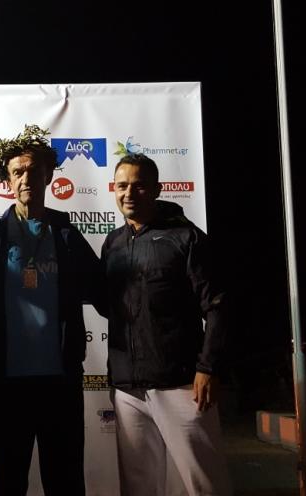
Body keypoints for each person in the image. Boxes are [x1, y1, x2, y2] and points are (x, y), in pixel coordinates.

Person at [0, 124, 102, 496]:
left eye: (33, 171)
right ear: (8, 180)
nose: (26, 178)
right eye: (18, 172)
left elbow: (106, 291)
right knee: (8, 481)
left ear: (48, 176)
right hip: (6, 383)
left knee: (66, 483)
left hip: (59, 381)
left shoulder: (66, 235)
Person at [101, 153, 232, 496]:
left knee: (204, 485)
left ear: (157, 190)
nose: (129, 193)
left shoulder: (186, 237)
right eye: (122, 186)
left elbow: (217, 307)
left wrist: (208, 367)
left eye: (139, 186)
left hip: (183, 384)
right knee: (139, 487)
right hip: (128, 388)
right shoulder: (112, 243)